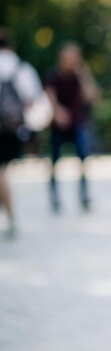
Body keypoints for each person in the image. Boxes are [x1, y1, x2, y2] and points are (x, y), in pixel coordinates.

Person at [45, 42, 100, 212]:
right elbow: (50, 98)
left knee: (83, 159)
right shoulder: (53, 76)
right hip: (58, 125)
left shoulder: (80, 76)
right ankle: (54, 197)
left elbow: (92, 98)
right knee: (55, 161)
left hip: (78, 123)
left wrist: (84, 75)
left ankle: (84, 196)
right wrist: (58, 112)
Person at [0, 27, 44, 239]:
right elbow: (33, 98)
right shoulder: (20, 67)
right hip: (11, 129)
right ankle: (10, 216)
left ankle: (10, 216)